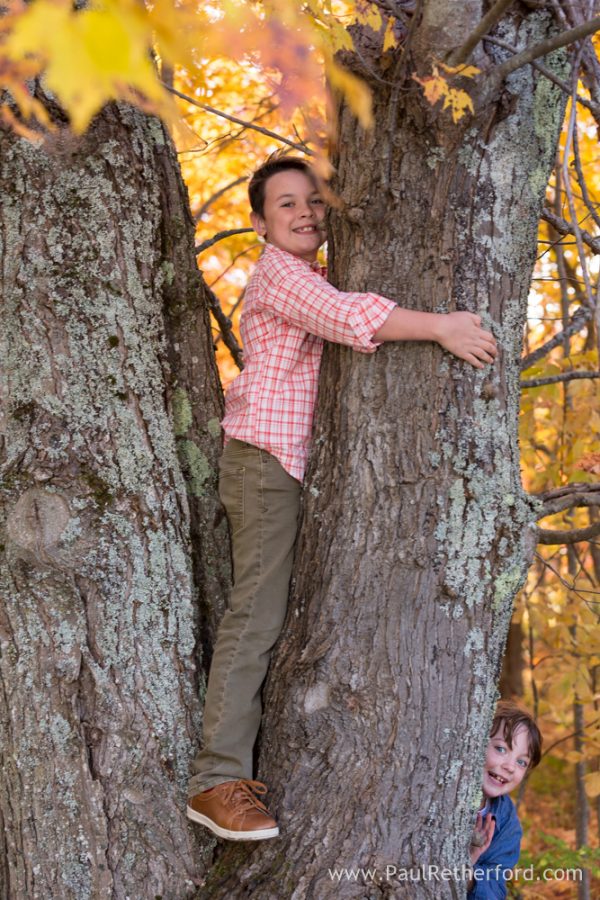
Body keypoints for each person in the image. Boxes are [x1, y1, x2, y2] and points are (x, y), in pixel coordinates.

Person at [187, 154, 498, 841]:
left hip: (287, 469)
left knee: (280, 616)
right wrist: (442, 326)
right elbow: (344, 315)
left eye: (314, 202)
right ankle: (215, 781)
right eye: (286, 204)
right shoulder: (279, 276)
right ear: (261, 223)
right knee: (256, 617)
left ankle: (235, 766)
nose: (305, 214)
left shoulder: (313, 270)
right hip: (263, 464)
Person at [468, 701, 542, 898]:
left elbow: (495, 889)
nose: (510, 767)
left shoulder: (508, 824)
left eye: (521, 762)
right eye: (501, 749)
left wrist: (468, 871)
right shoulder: (440, 791)